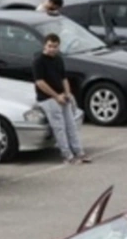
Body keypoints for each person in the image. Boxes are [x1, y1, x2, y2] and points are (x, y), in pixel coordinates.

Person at [32, 33, 88, 164]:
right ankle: (67, 155)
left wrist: (67, 93)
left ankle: (79, 152)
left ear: (58, 47)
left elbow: (64, 78)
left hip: (62, 96)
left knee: (71, 125)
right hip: (48, 99)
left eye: (55, 46)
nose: (52, 49)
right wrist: (56, 96)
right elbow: (40, 82)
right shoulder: (38, 61)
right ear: (44, 45)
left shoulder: (58, 59)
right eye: (49, 46)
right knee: (59, 127)